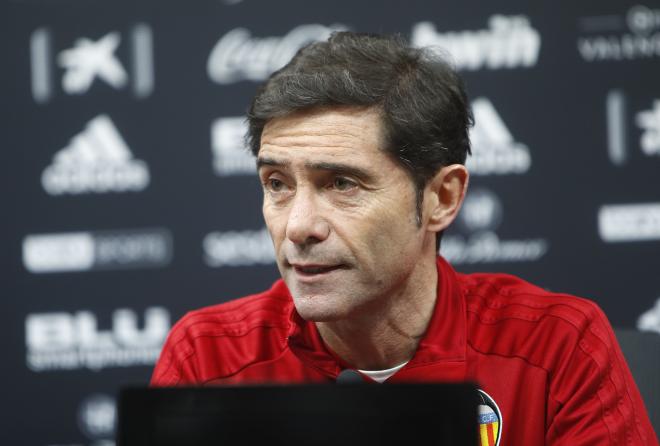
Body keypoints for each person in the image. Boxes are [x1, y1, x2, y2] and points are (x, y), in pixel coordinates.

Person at [151, 32, 657, 444]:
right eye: (278, 184)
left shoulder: (558, 347)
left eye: (341, 183)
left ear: (441, 197)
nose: (298, 226)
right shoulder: (207, 358)